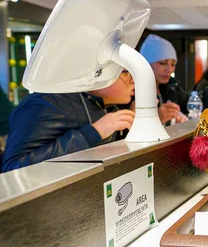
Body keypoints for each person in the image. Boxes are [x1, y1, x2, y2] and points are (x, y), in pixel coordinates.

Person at [1, 70, 135, 172]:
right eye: (125, 72)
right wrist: (93, 132)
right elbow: (14, 168)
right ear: (96, 73)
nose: (133, 80)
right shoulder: (47, 103)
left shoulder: (107, 107)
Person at [139, 34, 188, 124]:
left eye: (173, 64)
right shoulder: (132, 93)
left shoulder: (172, 87)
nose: (169, 70)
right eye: (163, 63)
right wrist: (158, 118)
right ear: (146, 63)